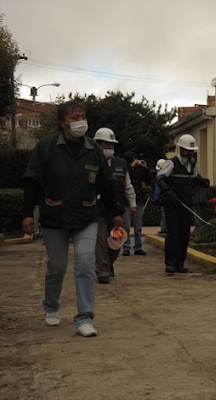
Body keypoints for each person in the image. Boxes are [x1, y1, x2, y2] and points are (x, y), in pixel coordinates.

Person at [22, 100, 123, 338]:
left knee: (85, 264)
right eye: (74, 117)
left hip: (87, 216)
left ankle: (84, 317)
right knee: (56, 267)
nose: (81, 122)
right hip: (54, 217)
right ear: (61, 123)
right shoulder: (46, 147)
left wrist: (116, 211)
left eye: (83, 116)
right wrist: (27, 213)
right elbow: (32, 181)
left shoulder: (93, 149)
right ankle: (51, 306)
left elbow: (106, 183)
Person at [156, 134, 209, 274]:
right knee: (173, 233)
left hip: (186, 204)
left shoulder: (193, 165)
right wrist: (168, 191)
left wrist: (203, 182)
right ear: (181, 150)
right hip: (172, 205)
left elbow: (195, 179)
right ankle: (170, 264)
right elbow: (160, 178)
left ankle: (180, 263)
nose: (190, 153)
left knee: (184, 234)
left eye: (191, 151)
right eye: (187, 150)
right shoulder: (172, 163)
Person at [93, 127, 136, 284]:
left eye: (112, 145)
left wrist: (132, 205)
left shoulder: (121, 164)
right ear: (98, 145)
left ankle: (109, 264)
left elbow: (128, 186)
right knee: (101, 243)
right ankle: (102, 271)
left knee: (117, 241)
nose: (109, 148)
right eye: (106, 145)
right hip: (98, 210)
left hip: (118, 210)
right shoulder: (91, 162)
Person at [121, 150, 151, 256]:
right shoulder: (125, 169)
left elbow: (148, 179)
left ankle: (138, 246)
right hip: (126, 201)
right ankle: (126, 247)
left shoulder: (139, 169)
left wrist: (146, 168)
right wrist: (132, 166)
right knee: (126, 225)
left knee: (138, 225)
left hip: (138, 199)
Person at [153, 159, 168, 234]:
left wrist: (156, 197)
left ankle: (164, 228)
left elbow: (157, 188)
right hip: (164, 197)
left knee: (165, 213)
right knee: (164, 213)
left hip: (164, 197)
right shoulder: (165, 174)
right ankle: (164, 228)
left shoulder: (161, 176)